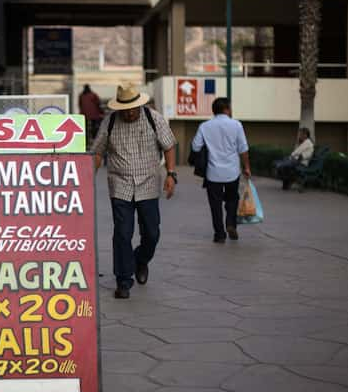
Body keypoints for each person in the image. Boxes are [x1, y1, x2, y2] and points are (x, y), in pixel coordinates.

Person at [91, 85, 177, 299]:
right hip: (120, 185)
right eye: (125, 109)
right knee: (122, 233)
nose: (129, 112)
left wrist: (171, 174)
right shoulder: (110, 121)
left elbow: (169, 145)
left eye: (133, 108)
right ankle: (123, 280)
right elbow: (98, 152)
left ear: (140, 105)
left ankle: (140, 260)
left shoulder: (153, 118)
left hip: (148, 184)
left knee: (152, 233)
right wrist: (87, 177)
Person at [191, 98, 251, 243]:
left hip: (213, 173)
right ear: (227, 109)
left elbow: (195, 147)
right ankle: (230, 223)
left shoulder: (205, 126)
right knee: (232, 199)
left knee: (215, 204)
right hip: (232, 172)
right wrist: (247, 167)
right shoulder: (236, 125)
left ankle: (219, 234)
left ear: (214, 110)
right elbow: (243, 149)